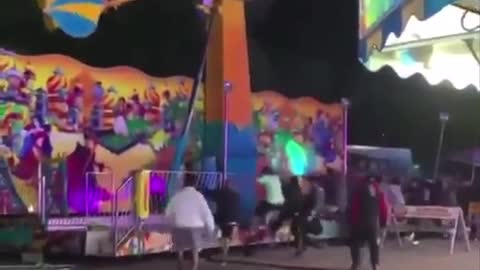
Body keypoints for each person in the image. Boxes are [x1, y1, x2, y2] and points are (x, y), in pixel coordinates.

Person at [165, 174, 215, 270]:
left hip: (179, 226)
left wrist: (172, 224)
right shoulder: (199, 196)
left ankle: (180, 265)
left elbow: (167, 213)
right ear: (195, 183)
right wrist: (210, 229)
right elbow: (206, 214)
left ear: (183, 182)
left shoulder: (177, 196)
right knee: (195, 250)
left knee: (180, 248)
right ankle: (194, 267)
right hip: (195, 227)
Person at [349, 175, 388, 270]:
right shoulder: (379, 191)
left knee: (355, 243)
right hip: (373, 222)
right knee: (374, 245)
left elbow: (354, 207)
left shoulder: (358, 190)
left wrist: (352, 221)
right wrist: (383, 222)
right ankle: (375, 265)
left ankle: (355, 264)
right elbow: (384, 208)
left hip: (359, 222)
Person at [210, 181, 240, 265]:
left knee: (222, 237)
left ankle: (224, 255)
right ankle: (224, 254)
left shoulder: (219, 193)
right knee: (226, 238)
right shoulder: (236, 195)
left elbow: (210, 195)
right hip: (232, 219)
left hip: (221, 219)